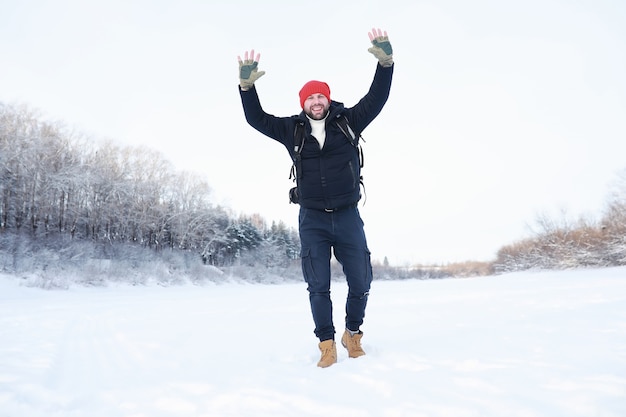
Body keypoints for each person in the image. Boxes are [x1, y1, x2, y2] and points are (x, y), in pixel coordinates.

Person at [237, 28, 394, 368]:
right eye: (310, 99)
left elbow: (377, 98)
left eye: (320, 97)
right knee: (318, 285)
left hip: (348, 215)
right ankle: (326, 343)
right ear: (303, 104)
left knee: (361, 280)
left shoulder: (348, 122)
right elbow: (256, 119)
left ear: (328, 99)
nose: (316, 102)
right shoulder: (292, 131)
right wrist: (247, 89)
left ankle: (352, 334)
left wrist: (386, 65)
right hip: (313, 220)